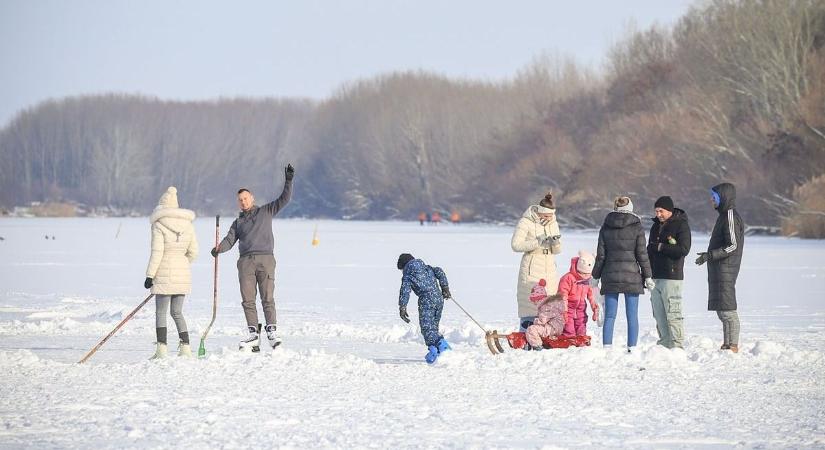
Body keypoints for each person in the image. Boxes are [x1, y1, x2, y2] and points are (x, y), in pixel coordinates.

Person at [211, 164, 294, 350]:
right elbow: (229, 240)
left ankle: (272, 332)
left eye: (245, 198)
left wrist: (288, 181)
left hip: (266, 260)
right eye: (240, 200)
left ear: (252, 198)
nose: (243, 202)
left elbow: (285, 199)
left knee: (267, 297)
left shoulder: (266, 211)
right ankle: (253, 334)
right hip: (246, 263)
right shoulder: (238, 222)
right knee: (248, 300)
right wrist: (218, 249)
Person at [592, 196, 654, 351]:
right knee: (632, 316)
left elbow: (601, 256)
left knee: (610, 315)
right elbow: (642, 255)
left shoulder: (606, 226)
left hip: (610, 276)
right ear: (631, 208)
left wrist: (595, 276)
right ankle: (631, 348)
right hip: (631, 276)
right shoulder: (637, 227)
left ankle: (607, 347)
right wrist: (648, 276)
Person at [144, 186, 199, 359]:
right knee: (177, 312)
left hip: (163, 272)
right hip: (183, 274)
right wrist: (182, 264)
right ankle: (186, 348)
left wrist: (150, 275)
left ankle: (161, 350)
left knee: (161, 312)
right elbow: (194, 252)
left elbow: (157, 252)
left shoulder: (159, 225)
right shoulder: (188, 225)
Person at [695, 183, 744, 353]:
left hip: (726, 270)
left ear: (723, 197)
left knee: (728, 311)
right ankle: (727, 344)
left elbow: (733, 246)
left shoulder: (730, 215)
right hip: (719, 269)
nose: (711, 199)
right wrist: (709, 255)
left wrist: (710, 255)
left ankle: (733, 345)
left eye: (713, 196)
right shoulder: (723, 215)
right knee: (722, 310)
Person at [511, 192, 562, 331]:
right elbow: (515, 245)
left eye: (551, 216)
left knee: (549, 304)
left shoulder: (553, 223)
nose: (549, 218)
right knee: (530, 304)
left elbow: (557, 250)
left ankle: (544, 337)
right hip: (532, 265)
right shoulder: (525, 222)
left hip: (549, 267)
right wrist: (537, 241)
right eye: (546, 216)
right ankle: (525, 335)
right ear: (539, 212)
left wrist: (555, 242)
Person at [646, 196, 691, 349]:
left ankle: (677, 346)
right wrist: (645, 273)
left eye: (661, 211)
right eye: (656, 211)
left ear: (670, 211)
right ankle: (664, 344)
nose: (658, 214)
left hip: (671, 277)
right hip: (655, 277)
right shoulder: (655, 227)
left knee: (673, 313)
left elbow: (683, 250)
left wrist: (661, 247)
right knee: (659, 314)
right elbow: (649, 251)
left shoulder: (681, 225)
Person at [396, 253, 452, 364]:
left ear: (404, 266)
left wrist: (402, 307)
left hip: (426, 301)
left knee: (427, 329)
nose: (402, 272)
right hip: (438, 299)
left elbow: (405, 290)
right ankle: (435, 352)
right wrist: (444, 287)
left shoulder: (408, 274)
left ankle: (445, 349)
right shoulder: (426, 267)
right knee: (433, 328)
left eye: (401, 269)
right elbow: (439, 271)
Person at [559, 251, 599, 338]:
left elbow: (591, 295)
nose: (585, 276)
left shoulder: (588, 280)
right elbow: (563, 296)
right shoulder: (568, 278)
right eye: (583, 274)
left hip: (581, 307)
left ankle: (581, 342)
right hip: (568, 307)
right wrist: (564, 311)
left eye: (587, 274)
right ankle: (569, 341)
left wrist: (595, 308)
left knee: (581, 326)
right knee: (569, 328)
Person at [524, 279, 566, 350]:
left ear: (538, 298)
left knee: (531, 329)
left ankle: (537, 345)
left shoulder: (545, 306)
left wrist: (532, 323)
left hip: (552, 328)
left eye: (534, 301)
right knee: (538, 329)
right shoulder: (551, 304)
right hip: (556, 327)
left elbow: (543, 319)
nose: (534, 303)